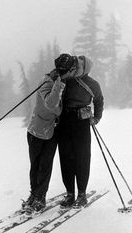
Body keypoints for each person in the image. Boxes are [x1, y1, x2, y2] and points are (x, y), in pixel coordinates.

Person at [22, 53, 78, 215]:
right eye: (70, 70)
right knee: (36, 166)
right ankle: (34, 195)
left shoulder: (61, 81)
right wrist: (58, 83)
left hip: (51, 132)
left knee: (45, 167)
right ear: (64, 71)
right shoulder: (47, 82)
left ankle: (40, 197)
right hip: (36, 131)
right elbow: (51, 104)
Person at [57, 55, 104, 209]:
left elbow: (99, 100)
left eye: (78, 66)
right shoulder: (66, 79)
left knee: (82, 158)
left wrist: (96, 118)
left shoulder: (92, 84)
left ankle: (82, 194)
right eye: (75, 65)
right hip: (64, 120)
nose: (75, 68)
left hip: (82, 121)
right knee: (65, 157)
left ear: (85, 68)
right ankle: (70, 193)